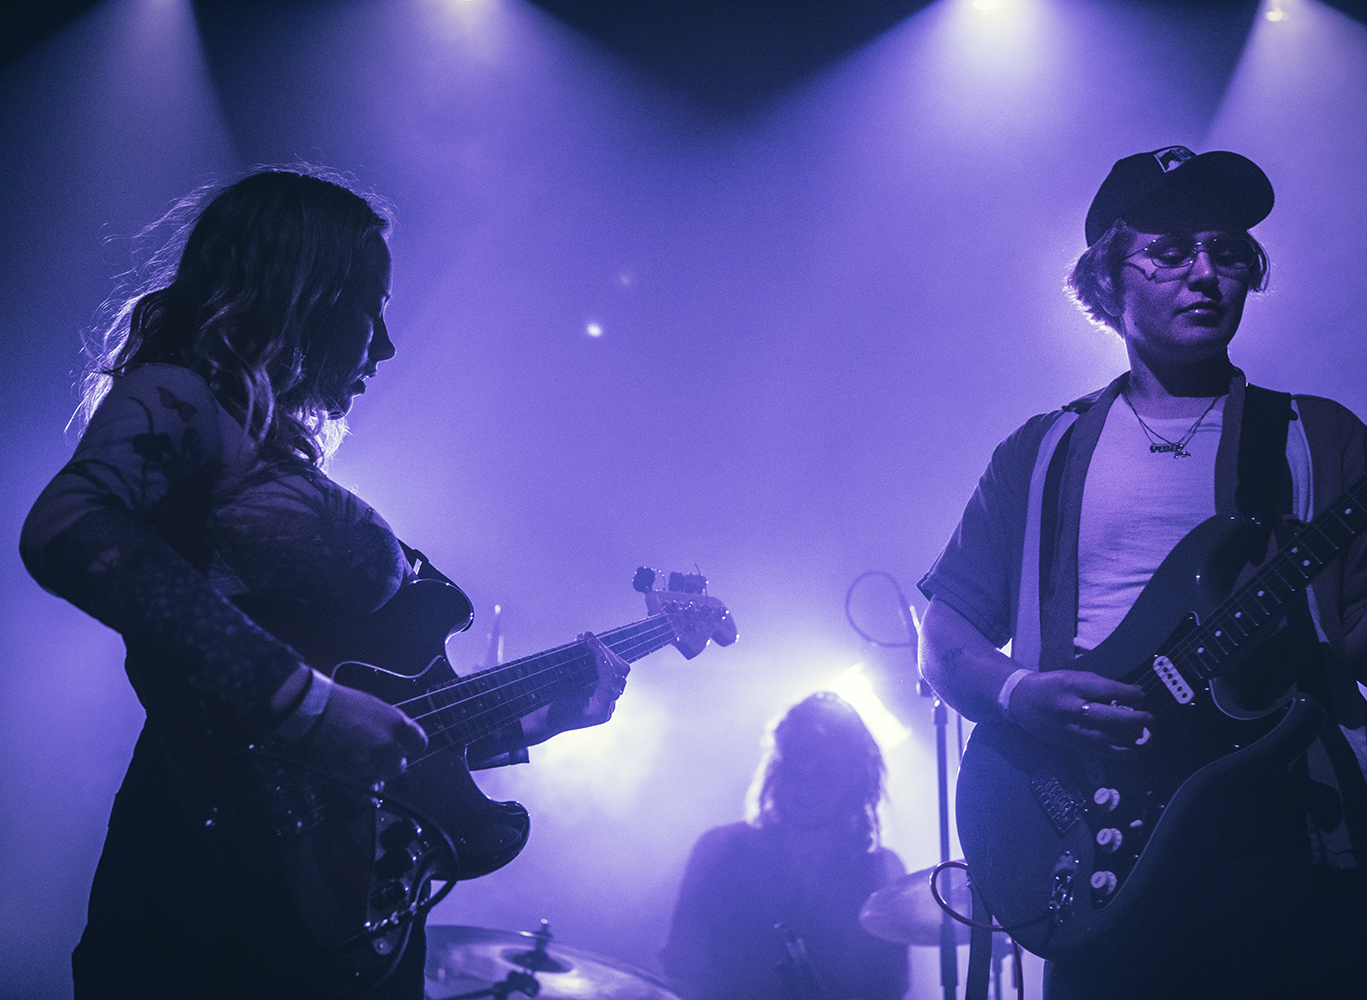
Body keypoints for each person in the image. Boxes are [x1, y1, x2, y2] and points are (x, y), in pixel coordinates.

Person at [19, 168, 631, 1000]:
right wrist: (297, 704)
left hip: (330, 910)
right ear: (297, 294)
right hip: (210, 893)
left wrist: (540, 717)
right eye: (368, 304)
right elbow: (70, 527)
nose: (383, 342)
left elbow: (371, 729)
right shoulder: (179, 393)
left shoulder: (255, 440)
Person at [916, 146, 1367, 998]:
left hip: (1302, 851)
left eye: (1228, 252)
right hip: (1104, 854)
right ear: (1109, 278)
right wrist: (1017, 695)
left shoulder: (1317, 436)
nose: (1207, 275)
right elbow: (945, 635)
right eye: (1173, 252)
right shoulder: (1039, 453)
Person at [660, 692, 910, 1000]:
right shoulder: (720, 850)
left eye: (822, 774)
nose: (806, 787)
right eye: (794, 771)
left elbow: (890, 988)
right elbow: (681, 966)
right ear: (777, 768)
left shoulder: (880, 873)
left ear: (854, 778)